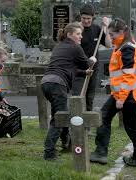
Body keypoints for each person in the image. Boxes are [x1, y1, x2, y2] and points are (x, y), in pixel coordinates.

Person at [90, 18, 136, 167]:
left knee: (131, 126)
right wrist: (107, 25)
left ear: (121, 32)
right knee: (105, 117)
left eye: (112, 34)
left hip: (128, 94)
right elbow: (121, 73)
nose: (110, 37)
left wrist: (121, 98)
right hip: (123, 94)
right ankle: (100, 152)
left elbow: (128, 75)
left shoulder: (127, 48)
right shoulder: (122, 44)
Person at [41, 22, 97, 160]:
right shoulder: (75, 48)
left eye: (81, 34)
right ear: (69, 34)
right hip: (58, 84)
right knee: (59, 119)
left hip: (47, 82)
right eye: (78, 34)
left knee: (59, 114)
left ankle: (66, 142)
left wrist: (84, 72)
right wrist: (92, 60)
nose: (81, 37)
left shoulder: (59, 46)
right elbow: (86, 62)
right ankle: (49, 153)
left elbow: (69, 69)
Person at [72, 4, 112, 111]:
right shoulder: (76, 29)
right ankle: (77, 120)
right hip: (79, 68)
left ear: (93, 18)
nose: (86, 21)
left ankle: (87, 123)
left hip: (93, 68)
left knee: (90, 96)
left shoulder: (97, 29)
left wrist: (106, 28)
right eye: (84, 18)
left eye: (88, 19)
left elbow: (108, 45)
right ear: (80, 17)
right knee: (78, 95)